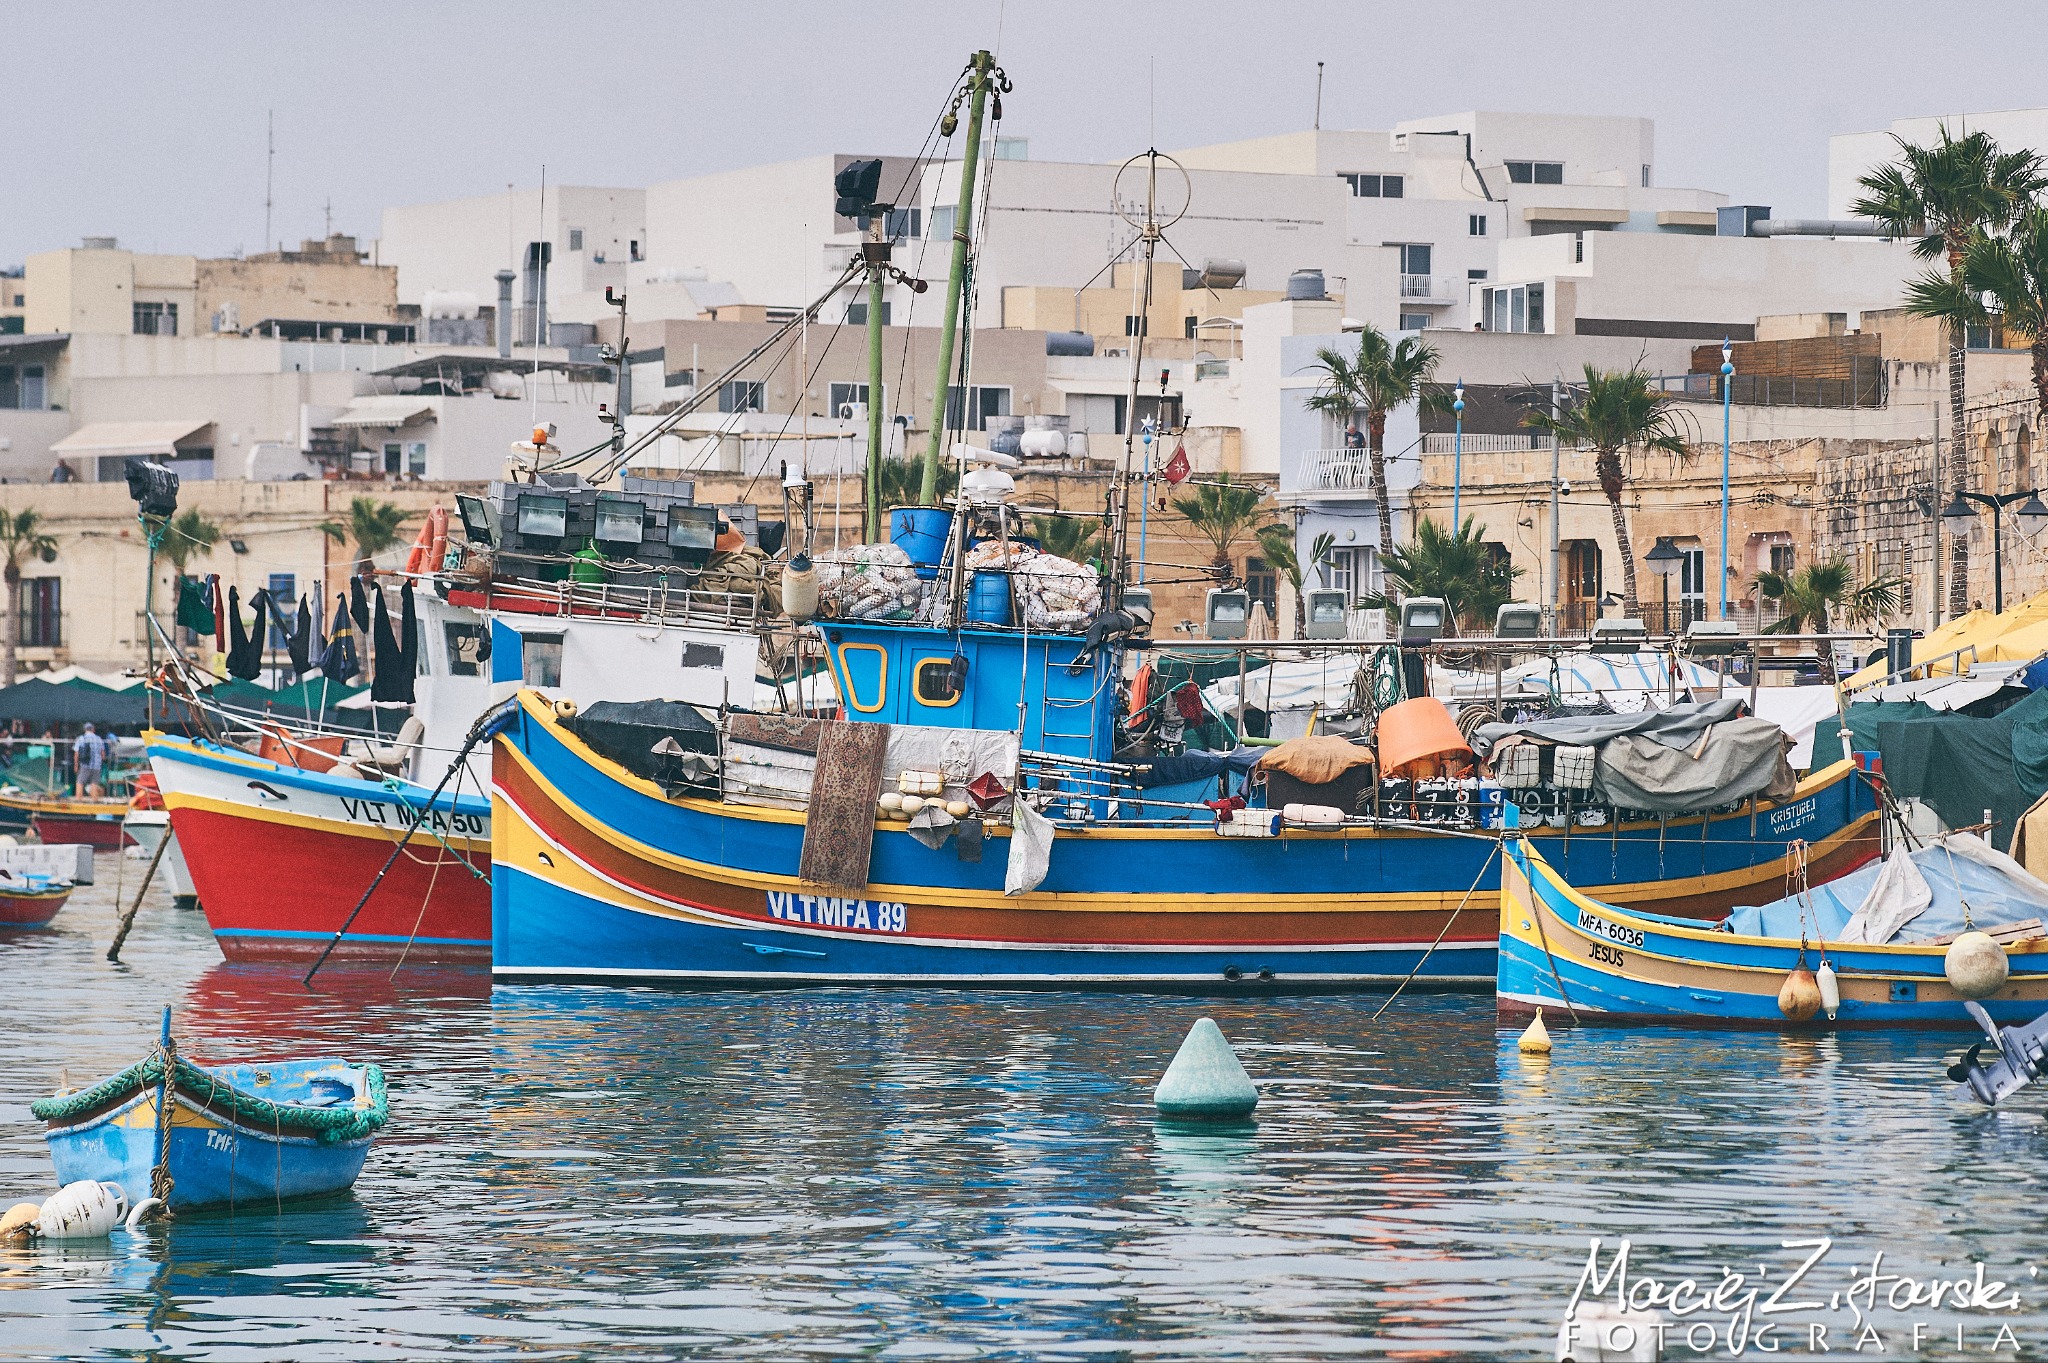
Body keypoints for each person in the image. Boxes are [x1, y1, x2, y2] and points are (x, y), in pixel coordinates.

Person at [72, 723, 105, 797]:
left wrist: (76, 765)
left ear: (85, 729)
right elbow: (103, 754)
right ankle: (94, 800)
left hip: (85, 764)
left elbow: (76, 753)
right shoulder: (99, 739)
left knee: (80, 782)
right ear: (93, 729)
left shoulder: (81, 738)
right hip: (97, 766)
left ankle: (79, 799)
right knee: (94, 783)